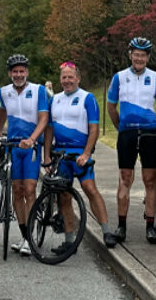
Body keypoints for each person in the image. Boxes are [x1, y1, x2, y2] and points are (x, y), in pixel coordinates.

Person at [107, 36, 156, 245]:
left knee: (149, 179)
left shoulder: (155, 77)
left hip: (149, 132)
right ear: (130, 55)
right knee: (125, 178)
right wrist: (120, 126)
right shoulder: (119, 77)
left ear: (148, 57)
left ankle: (150, 226)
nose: (139, 58)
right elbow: (111, 106)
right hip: (127, 133)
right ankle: (121, 226)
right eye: (136, 54)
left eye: (143, 55)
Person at [44, 61, 118, 248]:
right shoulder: (55, 99)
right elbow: (49, 131)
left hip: (80, 153)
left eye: (70, 77)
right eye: (64, 78)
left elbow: (94, 129)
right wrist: (47, 156)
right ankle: (69, 241)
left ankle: (107, 231)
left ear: (78, 78)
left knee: (90, 189)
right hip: (61, 154)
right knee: (64, 197)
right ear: (60, 80)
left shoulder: (88, 98)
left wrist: (86, 153)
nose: (67, 81)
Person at [0, 53, 49, 256]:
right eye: (15, 71)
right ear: (9, 73)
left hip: (31, 148)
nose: (18, 74)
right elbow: (3, 111)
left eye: (22, 71)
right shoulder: (3, 92)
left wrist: (32, 139)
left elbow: (44, 119)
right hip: (14, 147)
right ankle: (25, 235)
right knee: (17, 191)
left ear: (27, 72)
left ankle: (31, 238)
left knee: (30, 190)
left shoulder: (38, 90)